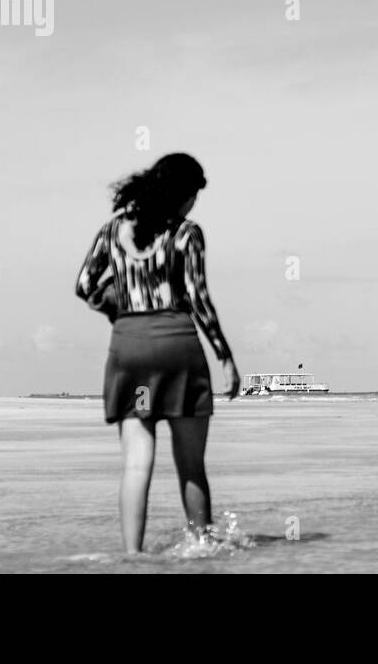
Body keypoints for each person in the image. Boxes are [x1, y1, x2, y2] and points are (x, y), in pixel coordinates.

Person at [75, 153, 240, 553]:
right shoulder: (186, 233)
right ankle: (201, 546)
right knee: (191, 464)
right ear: (180, 195)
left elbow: (84, 284)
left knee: (135, 462)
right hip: (177, 348)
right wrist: (225, 357)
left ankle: (132, 554)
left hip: (130, 347)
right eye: (192, 197)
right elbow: (198, 299)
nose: (192, 206)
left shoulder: (113, 231)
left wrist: (115, 307)